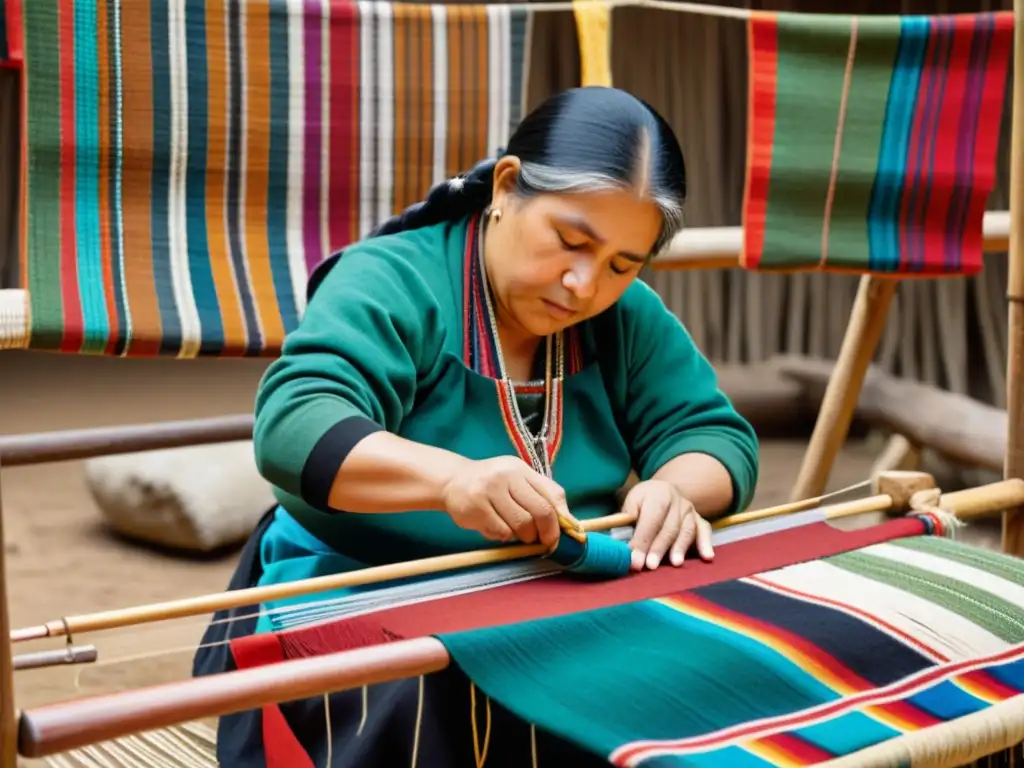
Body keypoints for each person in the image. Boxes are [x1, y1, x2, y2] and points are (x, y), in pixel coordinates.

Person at [193, 86, 759, 767]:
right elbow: (295, 422)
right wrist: (451, 481)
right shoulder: (394, 281)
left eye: (621, 264)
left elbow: (714, 435)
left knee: (718, 653)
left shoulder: (625, 317)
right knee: (436, 698)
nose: (585, 284)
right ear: (508, 186)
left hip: (548, 600)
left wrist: (675, 490)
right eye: (570, 240)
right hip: (360, 593)